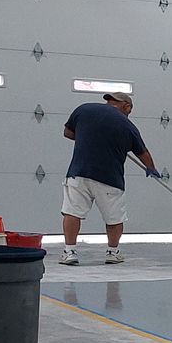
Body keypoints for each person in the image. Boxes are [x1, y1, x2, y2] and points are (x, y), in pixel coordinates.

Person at [60, 91, 162, 265]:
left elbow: (68, 133)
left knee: (72, 212)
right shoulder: (127, 125)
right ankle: (112, 253)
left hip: (79, 173)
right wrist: (151, 168)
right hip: (109, 178)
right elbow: (142, 153)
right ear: (127, 107)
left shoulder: (84, 109)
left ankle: (69, 252)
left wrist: (90, 138)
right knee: (114, 218)